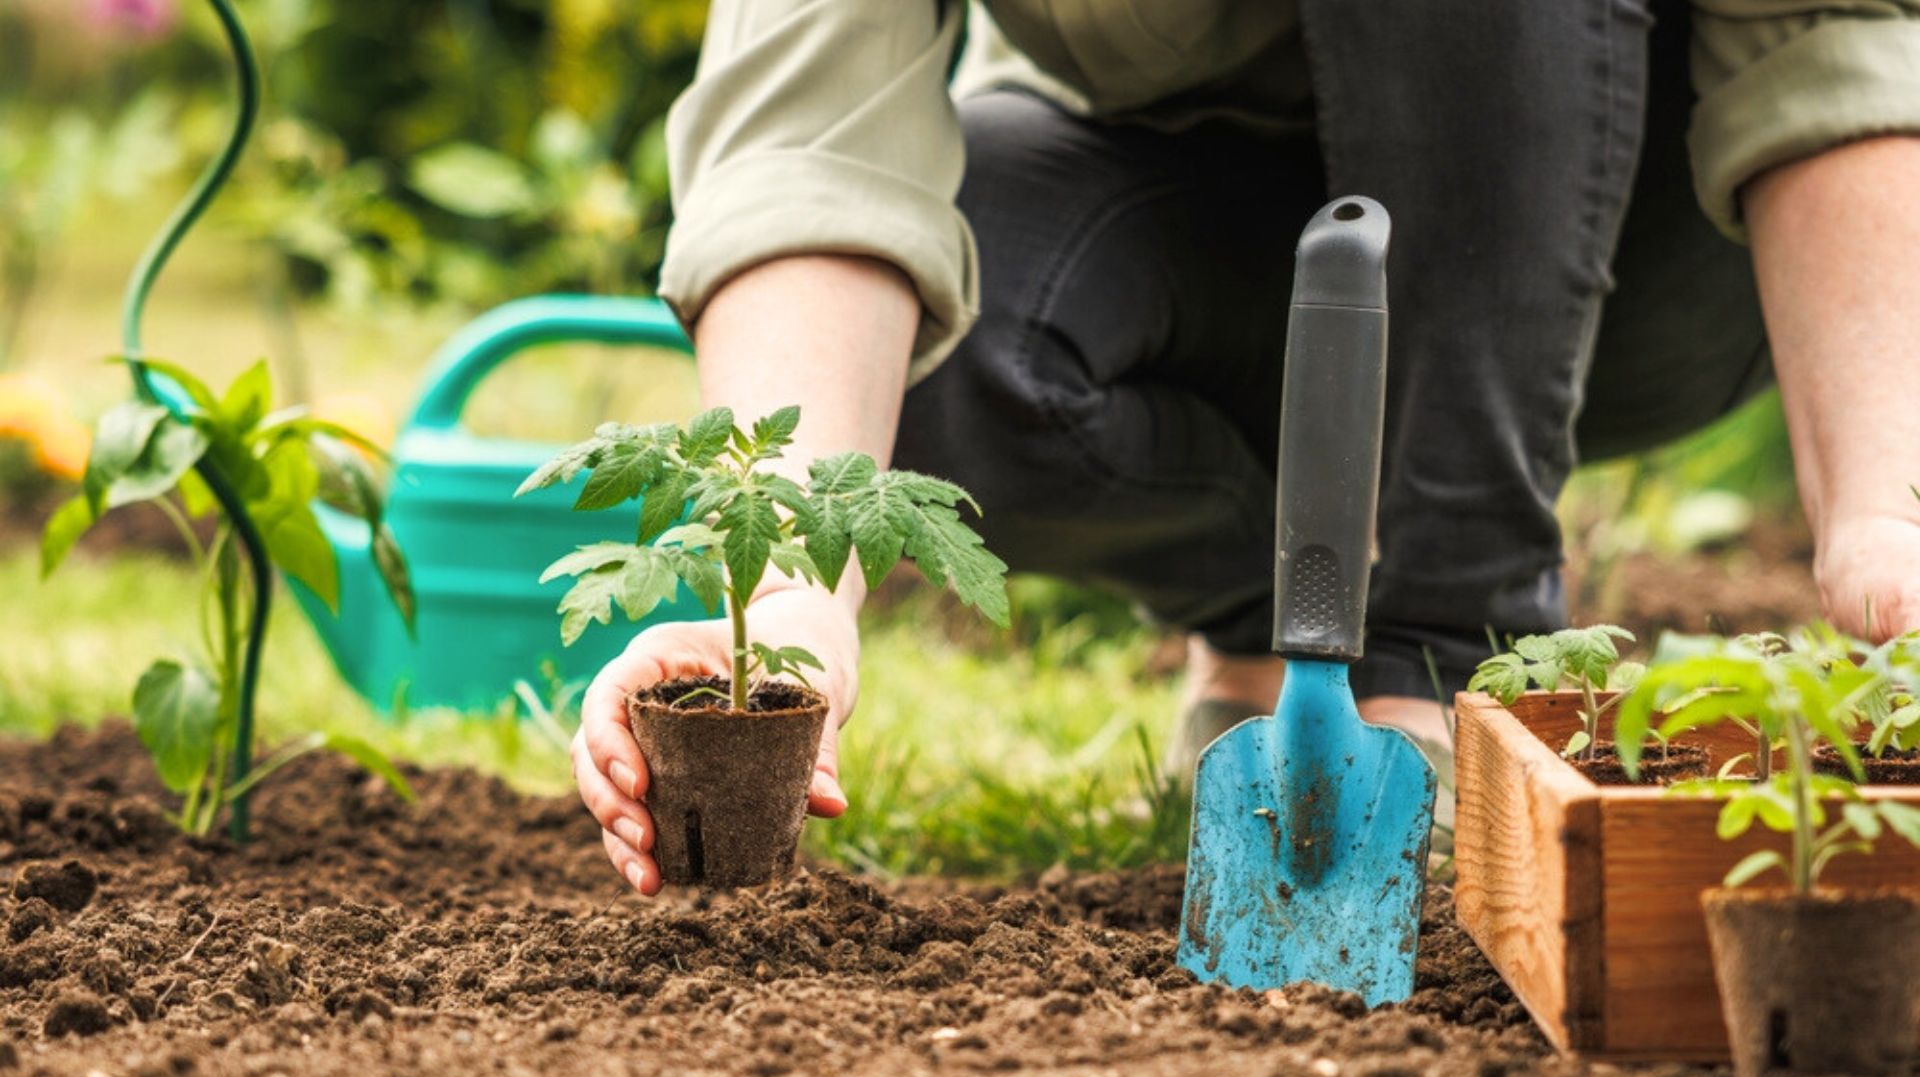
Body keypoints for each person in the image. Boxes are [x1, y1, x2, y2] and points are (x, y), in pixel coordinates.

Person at [573, 0, 1920, 896]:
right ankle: (1285, 625)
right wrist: (794, 617)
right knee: (958, 340)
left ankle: (1441, 645)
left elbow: (1828, 34)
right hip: (1192, 219)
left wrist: (1887, 515)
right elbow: (808, 139)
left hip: (1625, 239)